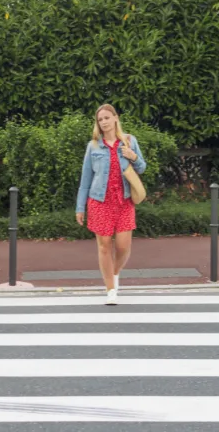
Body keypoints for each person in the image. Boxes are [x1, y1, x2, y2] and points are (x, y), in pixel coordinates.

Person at [76, 104, 146, 305]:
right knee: (105, 246)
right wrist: (80, 207)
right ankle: (110, 289)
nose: (104, 122)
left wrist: (133, 157)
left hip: (124, 201)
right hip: (99, 201)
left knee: (123, 247)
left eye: (107, 117)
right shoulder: (94, 146)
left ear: (116, 118)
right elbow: (85, 179)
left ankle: (114, 274)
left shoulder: (129, 141)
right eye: (100, 119)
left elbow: (141, 168)